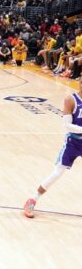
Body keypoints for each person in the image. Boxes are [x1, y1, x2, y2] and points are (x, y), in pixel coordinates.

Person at [24, 83, 82, 218]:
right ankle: (32, 199)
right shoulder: (71, 100)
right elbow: (67, 125)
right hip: (73, 143)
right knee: (57, 172)